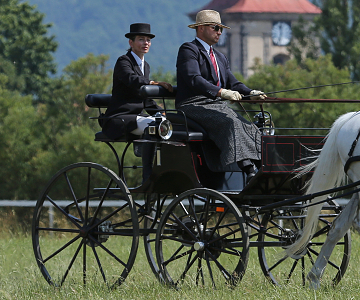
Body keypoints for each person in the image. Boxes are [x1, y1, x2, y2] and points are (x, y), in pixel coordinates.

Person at [175, 10, 266, 181]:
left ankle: (263, 166)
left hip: (216, 105)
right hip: (192, 104)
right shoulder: (189, 50)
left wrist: (250, 93)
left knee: (250, 126)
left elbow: (233, 83)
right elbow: (193, 79)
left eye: (221, 29)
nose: (219, 32)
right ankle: (248, 170)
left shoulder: (220, 57)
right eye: (215, 27)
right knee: (230, 123)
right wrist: (221, 92)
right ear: (200, 28)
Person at [100, 22, 173, 182]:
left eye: (148, 40)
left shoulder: (145, 66)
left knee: (166, 124)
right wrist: (153, 83)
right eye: (141, 39)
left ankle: (164, 170)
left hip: (137, 118)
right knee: (155, 126)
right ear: (131, 42)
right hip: (120, 117)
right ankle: (148, 177)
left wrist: (161, 113)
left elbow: (146, 100)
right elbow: (133, 81)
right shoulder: (123, 62)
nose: (145, 43)